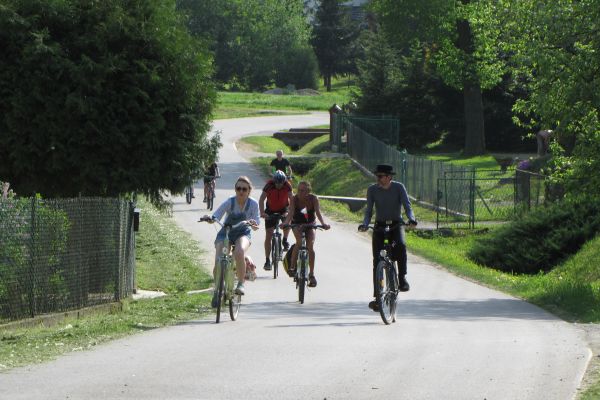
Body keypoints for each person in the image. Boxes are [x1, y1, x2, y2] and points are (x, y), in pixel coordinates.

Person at [358, 164, 417, 312]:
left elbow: (407, 206)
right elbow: (369, 210)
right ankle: (378, 297)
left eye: (380, 176)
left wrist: (411, 219)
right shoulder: (372, 190)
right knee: (377, 261)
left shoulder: (399, 187)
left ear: (389, 177)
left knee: (401, 246)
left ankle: (402, 278)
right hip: (379, 226)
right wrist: (365, 224)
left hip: (396, 226)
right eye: (376, 176)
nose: (377, 179)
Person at [202, 176, 259, 307]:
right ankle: (217, 290)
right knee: (219, 260)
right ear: (235, 189)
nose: (241, 191)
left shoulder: (253, 204)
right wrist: (210, 218)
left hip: (243, 233)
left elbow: (256, 225)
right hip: (226, 232)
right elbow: (217, 214)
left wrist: (253, 224)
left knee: (239, 252)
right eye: (238, 188)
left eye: (244, 189)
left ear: (249, 190)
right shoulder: (230, 202)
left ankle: (240, 284)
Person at [282, 180, 330, 287]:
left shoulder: (314, 199)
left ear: (308, 191)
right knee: (299, 242)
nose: (300, 192)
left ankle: (312, 275)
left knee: (310, 246)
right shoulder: (294, 199)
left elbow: (318, 212)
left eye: (302, 190)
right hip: (297, 224)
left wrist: (323, 223)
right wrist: (285, 223)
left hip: (310, 224)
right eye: (298, 190)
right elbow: (290, 213)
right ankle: (292, 267)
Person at [259, 170, 293, 271]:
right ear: (274, 181)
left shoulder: (287, 185)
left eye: (281, 183)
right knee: (269, 235)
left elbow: (292, 199)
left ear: (284, 182)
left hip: (284, 208)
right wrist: (262, 212)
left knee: (287, 223)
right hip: (270, 210)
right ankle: (267, 260)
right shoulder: (269, 185)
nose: (279, 185)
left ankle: (285, 240)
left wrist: (289, 211)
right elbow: (261, 199)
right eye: (277, 183)